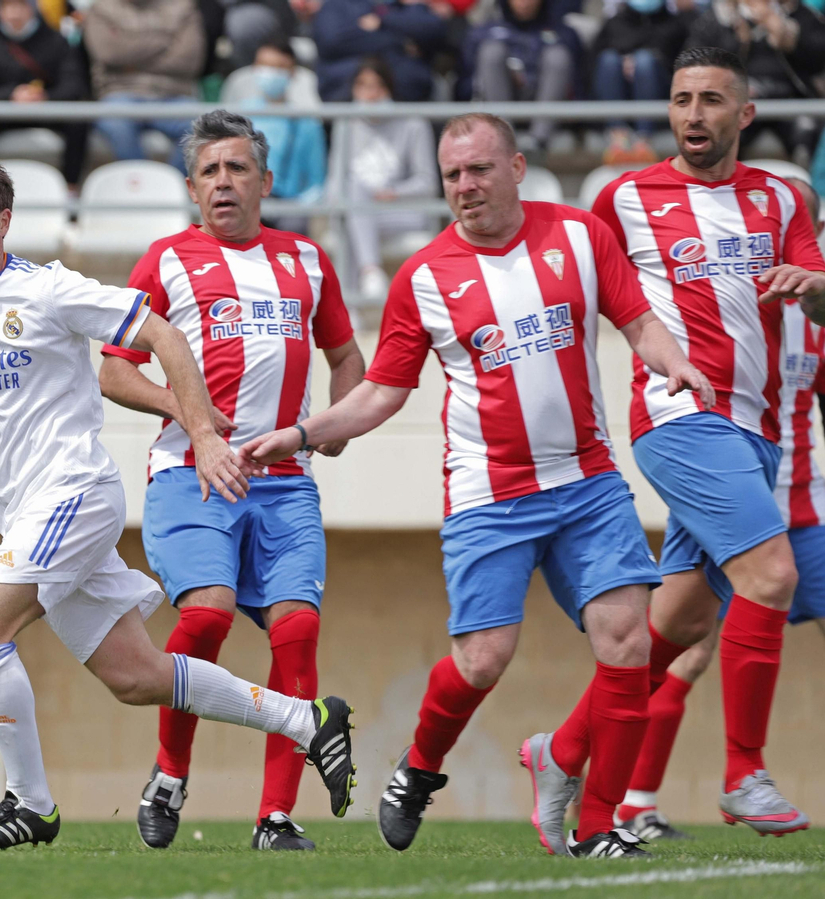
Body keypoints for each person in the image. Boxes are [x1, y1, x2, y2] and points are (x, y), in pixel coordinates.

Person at [0, 150, 358, 849]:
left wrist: (202, 433)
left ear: (3, 219)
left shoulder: (49, 289)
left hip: (73, 492)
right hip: (23, 509)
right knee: (136, 676)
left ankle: (30, 803)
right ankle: (308, 721)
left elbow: (165, 336)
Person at [243, 113, 714, 858]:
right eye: (452, 175)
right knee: (483, 660)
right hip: (489, 497)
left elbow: (639, 321)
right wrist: (306, 432)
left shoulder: (581, 238)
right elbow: (382, 393)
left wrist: (673, 360)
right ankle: (419, 767)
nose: (464, 187)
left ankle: (598, 827)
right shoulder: (424, 276)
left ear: (518, 167)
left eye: (478, 170)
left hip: (588, 481)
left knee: (627, 642)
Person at [99, 110, 366, 852]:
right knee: (208, 615)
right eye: (210, 171)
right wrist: (187, 408)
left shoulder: (307, 259)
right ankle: (170, 772)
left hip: (285, 479)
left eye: (237, 168)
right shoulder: (165, 259)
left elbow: (347, 354)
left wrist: (336, 423)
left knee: (300, 630)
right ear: (191, 187)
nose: (224, 182)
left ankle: (275, 817)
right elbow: (114, 369)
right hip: (190, 472)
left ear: (266, 181)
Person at [591, 46, 825, 837]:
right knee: (772, 572)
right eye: (683, 99)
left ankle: (562, 748)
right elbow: (566, 283)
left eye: (712, 100)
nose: (695, 114)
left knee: (676, 631)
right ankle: (742, 772)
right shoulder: (623, 198)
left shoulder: (784, 201)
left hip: (757, 443)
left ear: (745, 115)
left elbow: (821, 302)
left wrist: (816, 287)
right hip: (679, 418)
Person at [331, 57, 436, 304]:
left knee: (353, 219)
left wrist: (395, 192)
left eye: (376, 86)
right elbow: (336, 180)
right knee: (353, 203)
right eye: (362, 86)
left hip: (401, 210)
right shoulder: (345, 123)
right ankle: (370, 277)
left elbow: (428, 182)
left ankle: (355, 300)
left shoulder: (413, 124)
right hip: (360, 210)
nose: (369, 94)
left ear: (388, 88)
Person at [0, 0, 89, 187]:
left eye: (20, 6)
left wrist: (44, 96)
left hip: (46, 109)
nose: (14, 14)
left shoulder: (57, 41)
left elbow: (74, 85)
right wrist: (11, 95)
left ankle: (70, 187)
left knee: (78, 121)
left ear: (32, 8)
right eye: (7, 7)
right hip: (3, 113)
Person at [685, 0, 825, 154]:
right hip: (741, 99)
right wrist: (737, 41)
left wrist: (786, 37)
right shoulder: (719, 17)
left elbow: (818, 59)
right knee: (724, 132)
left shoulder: (799, 13)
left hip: (793, 98)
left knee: (807, 133)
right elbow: (695, 63)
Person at [82, 0, 206, 171]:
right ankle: (142, 185)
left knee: (202, 127)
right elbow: (109, 53)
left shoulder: (183, 7)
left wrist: (130, 57)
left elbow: (189, 61)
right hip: (120, 92)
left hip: (173, 94)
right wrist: (164, 39)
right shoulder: (101, 8)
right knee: (115, 122)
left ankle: (169, 189)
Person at [460, 0, 583, 151]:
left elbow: (579, 86)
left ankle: (538, 140)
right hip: (496, 108)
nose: (524, 2)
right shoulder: (483, 33)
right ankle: (503, 138)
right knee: (492, 52)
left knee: (557, 56)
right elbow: (465, 86)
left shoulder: (563, 33)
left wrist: (528, 78)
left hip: (547, 111)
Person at [237, 39, 325, 233]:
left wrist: (302, 205)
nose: (270, 73)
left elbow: (316, 180)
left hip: (288, 207)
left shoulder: (306, 122)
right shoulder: (239, 116)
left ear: (292, 73)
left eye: (278, 68)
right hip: (246, 201)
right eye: (264, 65)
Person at [591, 0, 688, 165]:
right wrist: (625, 60)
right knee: (609, 60)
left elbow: (682, 66)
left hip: (660, 96)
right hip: (618, 93)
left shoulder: (676, 25)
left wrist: (647, 61)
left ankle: (643, 139)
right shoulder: (614, 22)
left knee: (645, 62)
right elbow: (592, 64)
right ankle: (618, 137)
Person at [311, 0, 449, 102]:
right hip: (346, 103)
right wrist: (399, 42)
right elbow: (332, 41)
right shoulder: (337, 5)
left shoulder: (407, 6)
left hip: (407, 102)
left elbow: (434, 30)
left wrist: (383, 21)